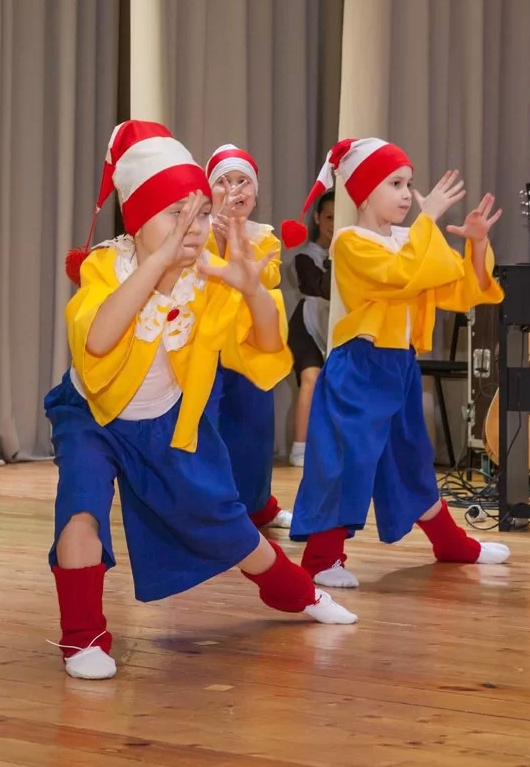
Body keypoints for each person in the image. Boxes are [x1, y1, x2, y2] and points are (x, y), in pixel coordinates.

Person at [48, 120, 356, 680]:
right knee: (80, 509)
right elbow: (96, 340)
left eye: (200, 213)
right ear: (138, 220)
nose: (192, 228)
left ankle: (294, 591)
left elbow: (265, 351)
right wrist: (158, 264)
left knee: (223, 520)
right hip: (90, 415)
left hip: (165, 423)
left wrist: (250, 288)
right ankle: (82, 635)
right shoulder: (106, 265)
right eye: (176, 214)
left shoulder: (207, 279)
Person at [279, 138, 510, 589]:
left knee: (410, 458)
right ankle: (321, 560)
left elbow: (462, 289)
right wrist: (429, 220)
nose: (407, 194)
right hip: (359, 366)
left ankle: (451, 543)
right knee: (344, 461)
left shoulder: (410, 239)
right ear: (364, 193)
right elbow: (401, 276)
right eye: (395, 184)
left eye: (408, 184)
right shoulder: (349, 241)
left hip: (399, 364)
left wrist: (477, 244)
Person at [202, 143, 291, 529]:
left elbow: (268, 278)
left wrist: (239, 242)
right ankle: (212, 507)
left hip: (250, 344)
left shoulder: (265, 236)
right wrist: (219, 239)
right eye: (223, 182)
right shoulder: (195, 232)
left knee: (254, 429)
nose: (234, 190)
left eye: (243, 182)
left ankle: (256, 505)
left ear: (255, 193)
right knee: (209, 427)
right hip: (207, 344)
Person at [286, 189, 335, 468]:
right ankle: (299, 449)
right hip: (306, 324)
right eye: (329, 217)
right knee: (311, 379)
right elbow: (321, 289)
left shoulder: (358, 251)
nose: (333, 223)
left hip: (338, 325)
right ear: (317, 218)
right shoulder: (305, 257)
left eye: (339, 217)